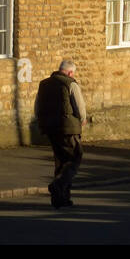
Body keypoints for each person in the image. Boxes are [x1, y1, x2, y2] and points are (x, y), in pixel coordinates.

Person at [34, 59, 86, 208]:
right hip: (68, 128)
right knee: (74, 158)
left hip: (50, 128)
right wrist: (82, 119)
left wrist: (41, 120)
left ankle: (61, 199)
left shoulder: (44, 84)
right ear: (70, 72)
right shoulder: (70, 83)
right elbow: (79, 105)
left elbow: (37, 106)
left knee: (60, 162)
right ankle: (58, 185)